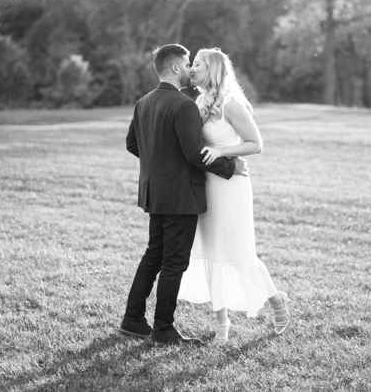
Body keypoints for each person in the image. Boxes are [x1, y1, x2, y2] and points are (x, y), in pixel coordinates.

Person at [118, 43, 246, 346]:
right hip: (180, 197)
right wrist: (229, 166)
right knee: (174, 263)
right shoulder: (183, 104)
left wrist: (159, 165)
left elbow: (132, 145)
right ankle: (163, 329)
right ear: (175, 68)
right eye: (188, 62)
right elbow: (193, 154)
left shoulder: (144, 102)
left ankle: (132, 320)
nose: (191, 68)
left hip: (154, 193)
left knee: (153, 255)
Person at [177, 47, 289, 342]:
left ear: (211, 69)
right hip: (207, 186)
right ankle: (222, 324)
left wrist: (221, 152)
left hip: (231, 187)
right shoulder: (200, 102)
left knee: (239, 252)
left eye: (197, 64)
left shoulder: (230, 103)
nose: (192, 69)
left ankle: (276, 300)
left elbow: (256, 144)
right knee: (212, 252)